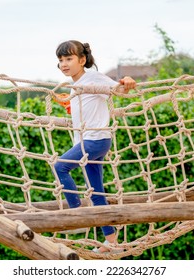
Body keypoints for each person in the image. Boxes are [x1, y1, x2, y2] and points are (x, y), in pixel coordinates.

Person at [53, 40, 136, 253]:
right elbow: (84, 109)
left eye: (69, 59)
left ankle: (76, 213)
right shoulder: (75, 85)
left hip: (96, 139)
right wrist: (67, 103)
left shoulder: (93, 77)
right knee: (96, 192)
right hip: (87, 140)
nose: (64, 63)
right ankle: (111, 242)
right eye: (61, 60)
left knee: (60, 166)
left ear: (82, 60)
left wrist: (126, 82)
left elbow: (117, 90)